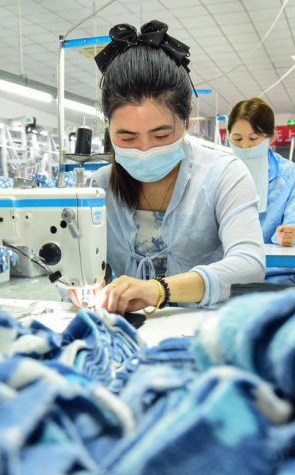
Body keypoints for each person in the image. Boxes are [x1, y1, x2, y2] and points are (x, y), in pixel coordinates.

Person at [87, 21, 265, 313]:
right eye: (127, 138)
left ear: (187, 120)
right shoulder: (100, 188)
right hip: (132, 330)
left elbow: (249, 265)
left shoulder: (223, 175)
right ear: (108, 128)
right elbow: (80, 265)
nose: (144, 150)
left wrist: (159, 290)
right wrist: (80, 284)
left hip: (205, 327)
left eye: (161, 136)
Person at [228, 96, 295, 285]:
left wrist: (292, 233)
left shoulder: (290, 175)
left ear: (270, 137)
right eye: (237, 139)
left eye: (253, 138)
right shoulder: (217, 170)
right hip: (227, 274)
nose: (245, 146)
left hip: (276, 274)